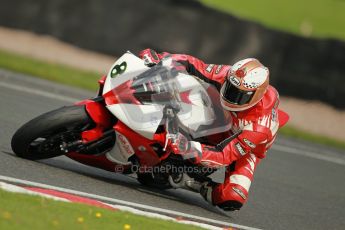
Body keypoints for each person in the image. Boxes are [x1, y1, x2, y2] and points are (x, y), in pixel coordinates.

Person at [139, 48, 289, 211]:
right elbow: (193, 64)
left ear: (256, 95)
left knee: (232, 197)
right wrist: (160, 59)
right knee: (189, 85)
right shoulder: (230, 75)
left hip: (245, 146)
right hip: (223, 116)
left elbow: (223, 155)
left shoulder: (259, 127)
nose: (231, 97)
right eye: (230, 88)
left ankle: (193, 182)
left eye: (240, 95)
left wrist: (187, 147)